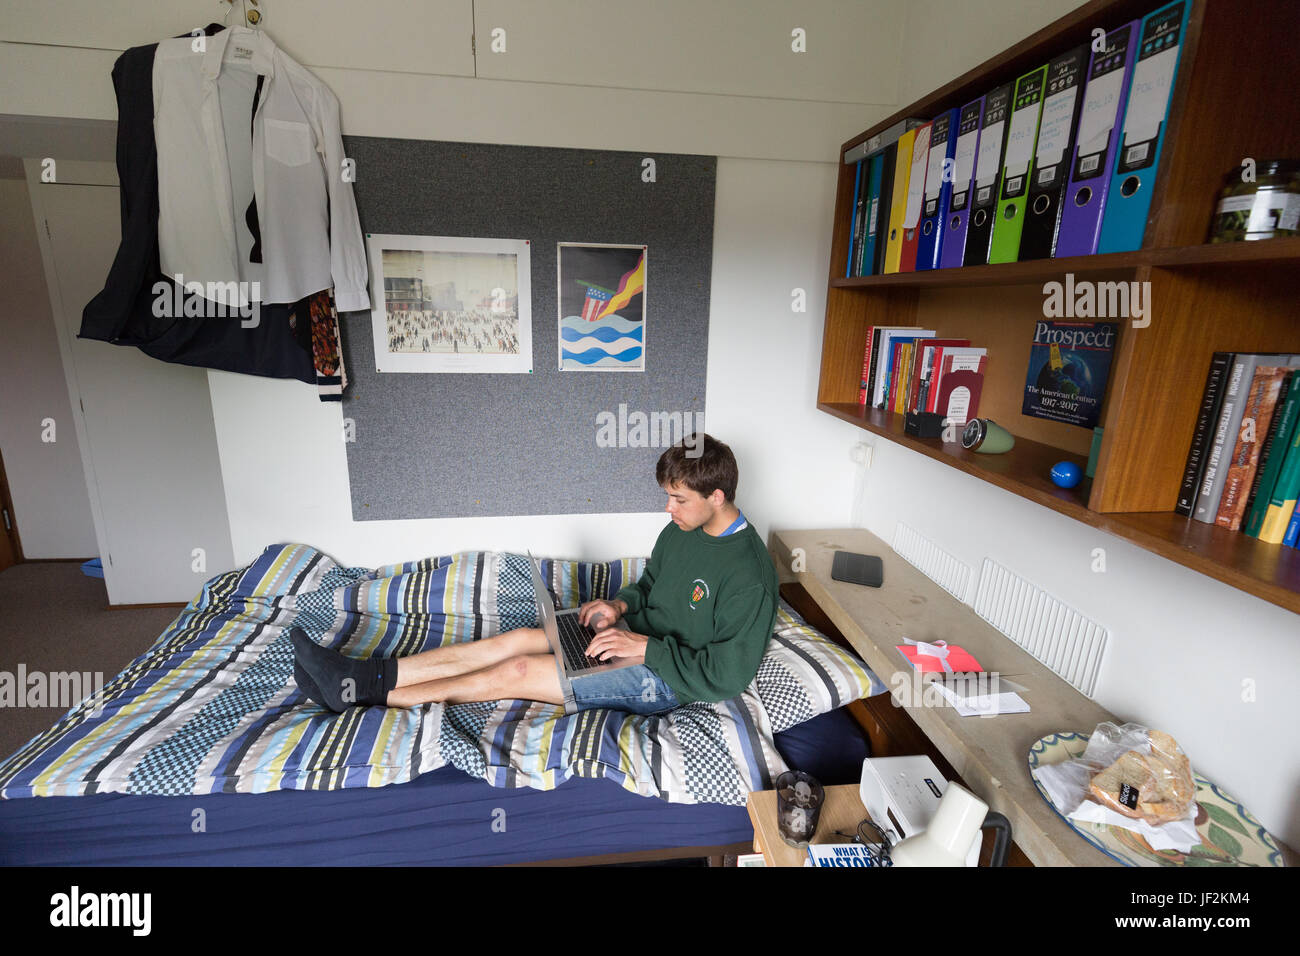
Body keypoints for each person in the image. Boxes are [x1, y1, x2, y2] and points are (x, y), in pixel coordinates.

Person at [290, 433, 778, 716]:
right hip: (634, 638)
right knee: (518, 638)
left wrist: (645, 648)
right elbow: (651, 585)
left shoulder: (749, 574)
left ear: (717, 496)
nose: (667, 508)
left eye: (678, 499)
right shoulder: (682, 528)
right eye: (667, 496)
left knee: (518, 671)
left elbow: (727, 676)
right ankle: (364, 673)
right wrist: (620, 607)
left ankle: (363, 698)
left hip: (668, 679)